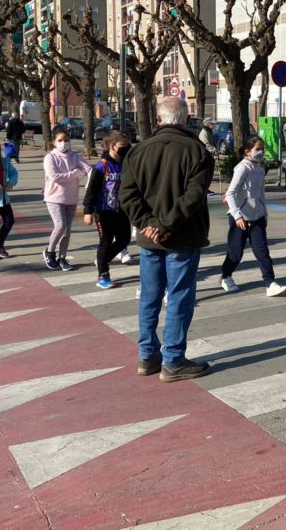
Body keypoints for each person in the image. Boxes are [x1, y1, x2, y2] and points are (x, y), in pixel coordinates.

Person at [120, 96, 214, 382]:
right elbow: (193, 196)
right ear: (186, 120)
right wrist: (165, 224)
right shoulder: (197, 151)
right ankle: (173, 359)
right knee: (179, 296)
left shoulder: (138, 151)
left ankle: (147, 355)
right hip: (184, 235)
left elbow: (127, 195)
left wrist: (149, 224)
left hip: (150, 238)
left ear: (158, 119)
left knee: (149, 297)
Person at [219, 136, 286, 296]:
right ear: (247, 151)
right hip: (240, 219)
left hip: (257, 218)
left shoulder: (260, 169)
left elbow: (261, 194)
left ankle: (270, 283)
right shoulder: (242, 168)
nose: (261, 152)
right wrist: (237, 216)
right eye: (257, 149)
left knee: (262, 251)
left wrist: (264, 214)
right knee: (236, 252)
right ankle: (226, 276)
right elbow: (230, 193)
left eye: (262, 149)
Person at [83, 131, 133, 290]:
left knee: (124, 239)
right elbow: (91, 190)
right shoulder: (101, 166)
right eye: (123, 145)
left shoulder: (126, 163)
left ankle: (102, 260)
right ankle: (103, 275)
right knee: (105, 241)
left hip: (121, 210)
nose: (126, 148)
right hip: (104, 211)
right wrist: (88, 210)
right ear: (112, 146)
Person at [42, 128, 91, 272]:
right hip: (54, 197)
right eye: (60, 140)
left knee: (67, 230)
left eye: (66, 140)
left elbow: (89, 170)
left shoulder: (75, 156)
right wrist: (75, 173)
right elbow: (56, 177)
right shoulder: (50, 158)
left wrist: (90, 183)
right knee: (60, 225)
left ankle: (62, 258)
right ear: (54, 142)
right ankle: (50, 252)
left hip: (71, 198)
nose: (63, 143)